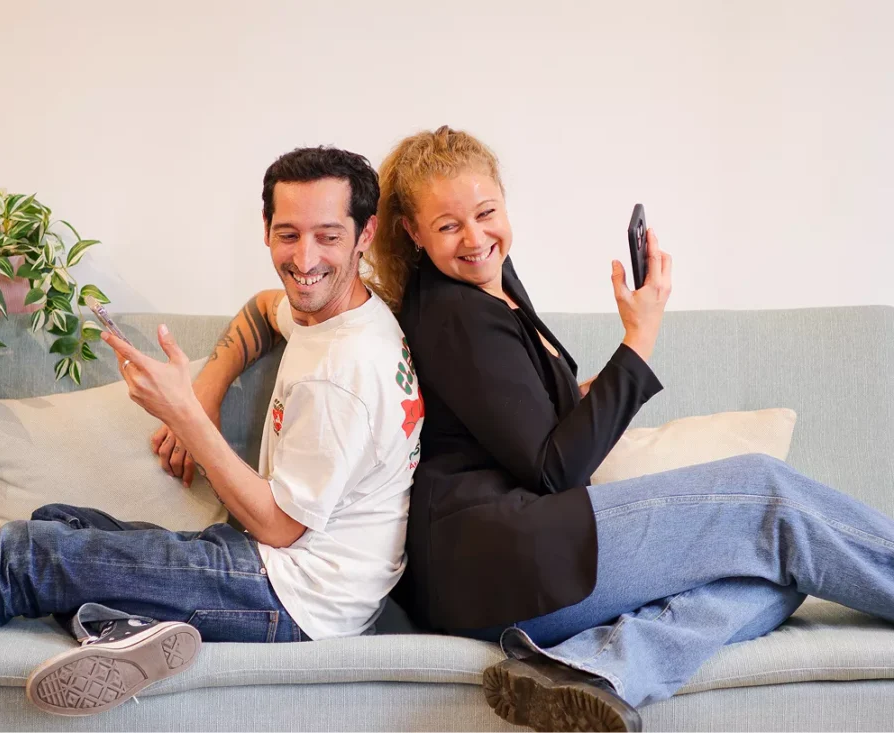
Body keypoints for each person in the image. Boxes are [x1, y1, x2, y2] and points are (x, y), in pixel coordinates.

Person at [367, 125, 894, 732]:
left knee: (778, 571)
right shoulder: (454, 313)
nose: (475, 237)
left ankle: (595, 672)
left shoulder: (490, 284)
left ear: (504, 202)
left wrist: (596, 388)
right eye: (448, 226)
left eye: (486, 213)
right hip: (499, 560)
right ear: (413, 231)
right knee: (768, 492)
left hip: (510, 560)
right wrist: (639, 338)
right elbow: (554, 469)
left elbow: (521, 419)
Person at [0, 146, 423, 717]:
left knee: (25, 556)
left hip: (296, 598)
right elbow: (265, 309)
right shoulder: (334, 312)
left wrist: (184, 415)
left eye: (328, 236)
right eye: (289, 234)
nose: (305, 259)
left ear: (365, 233)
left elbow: (280, 528)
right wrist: (208, 389)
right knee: (57, 521)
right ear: (266, 229)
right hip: (290, 574)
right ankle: (125, 630)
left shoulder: (343, 376)